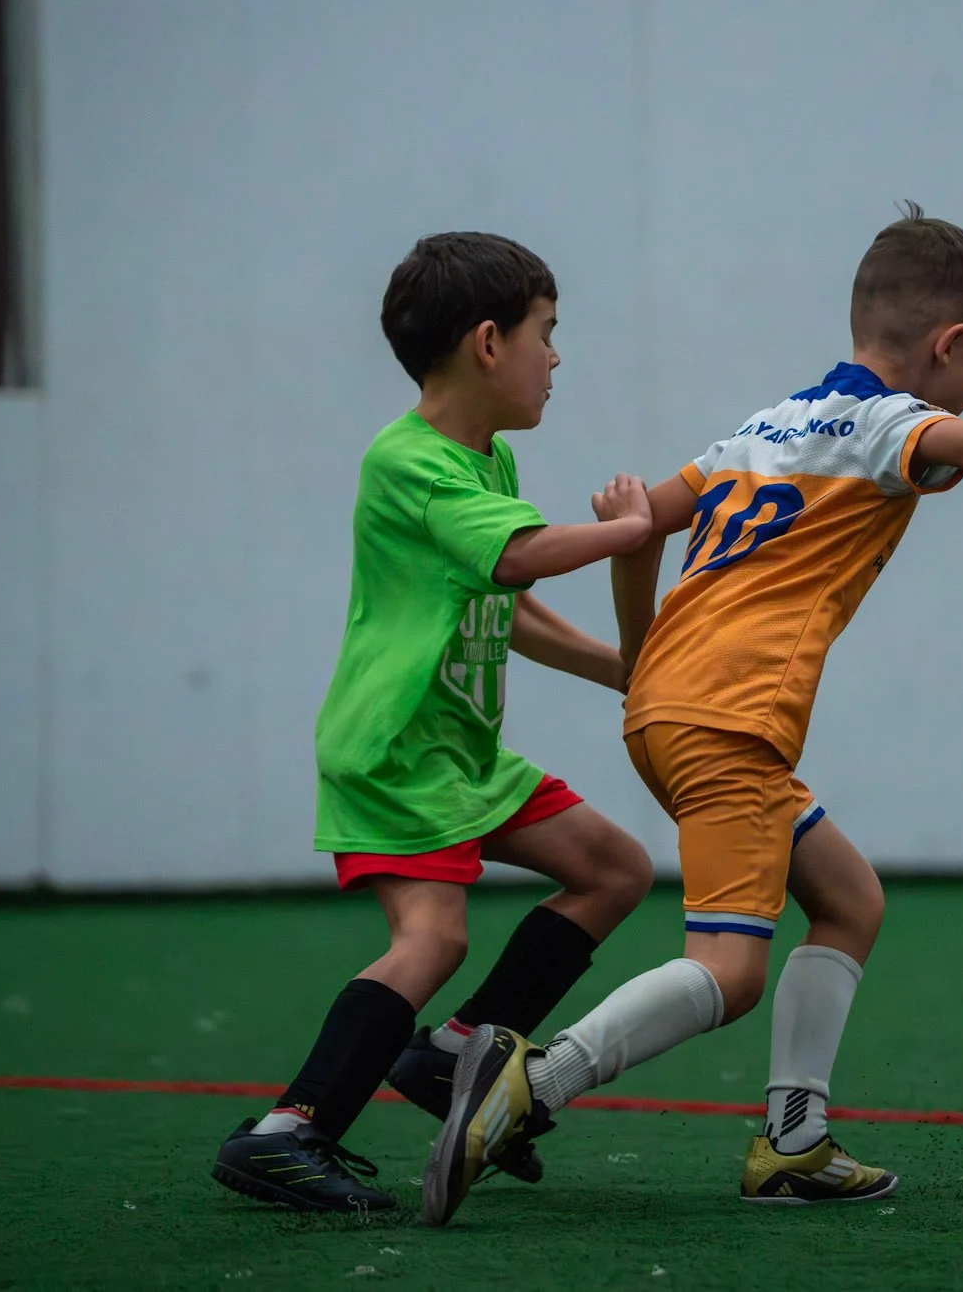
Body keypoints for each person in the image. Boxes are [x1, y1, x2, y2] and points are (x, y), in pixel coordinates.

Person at [422, 203, 963, 1225]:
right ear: (947, 345)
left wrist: (641, 649)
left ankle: (791, 1141)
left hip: (672, 710)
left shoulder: (764, 426)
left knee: (847, 900)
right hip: (732, 720)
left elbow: (634, 520)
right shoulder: (886, 425)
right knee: (728, 971)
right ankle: (524, 1082)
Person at [209, 231, 657, 1213]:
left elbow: (510, 607)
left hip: (459, 753)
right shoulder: (407, 462)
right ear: (488, 343)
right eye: (549, 332)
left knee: (614, 869)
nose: (557, 357)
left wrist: (623, 672)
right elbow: (518, 560)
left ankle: (452, 1056)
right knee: (433, 939)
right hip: (396, 748)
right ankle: (290, 1131)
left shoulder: (484, 460)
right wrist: (636, 527)